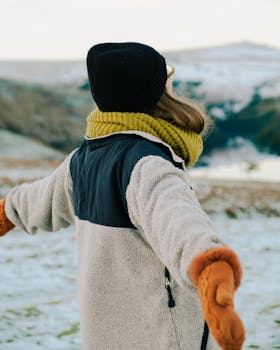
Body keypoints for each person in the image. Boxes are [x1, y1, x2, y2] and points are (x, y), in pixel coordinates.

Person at [0, 42, 245, 350]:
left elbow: (36, 200)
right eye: (166, 78)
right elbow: (178, 222)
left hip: (105, 338)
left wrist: (5, 211)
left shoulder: (83, 160)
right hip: (162, 337)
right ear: (150, 94)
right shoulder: (146, 164)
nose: (171, 84)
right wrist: (210, 266)